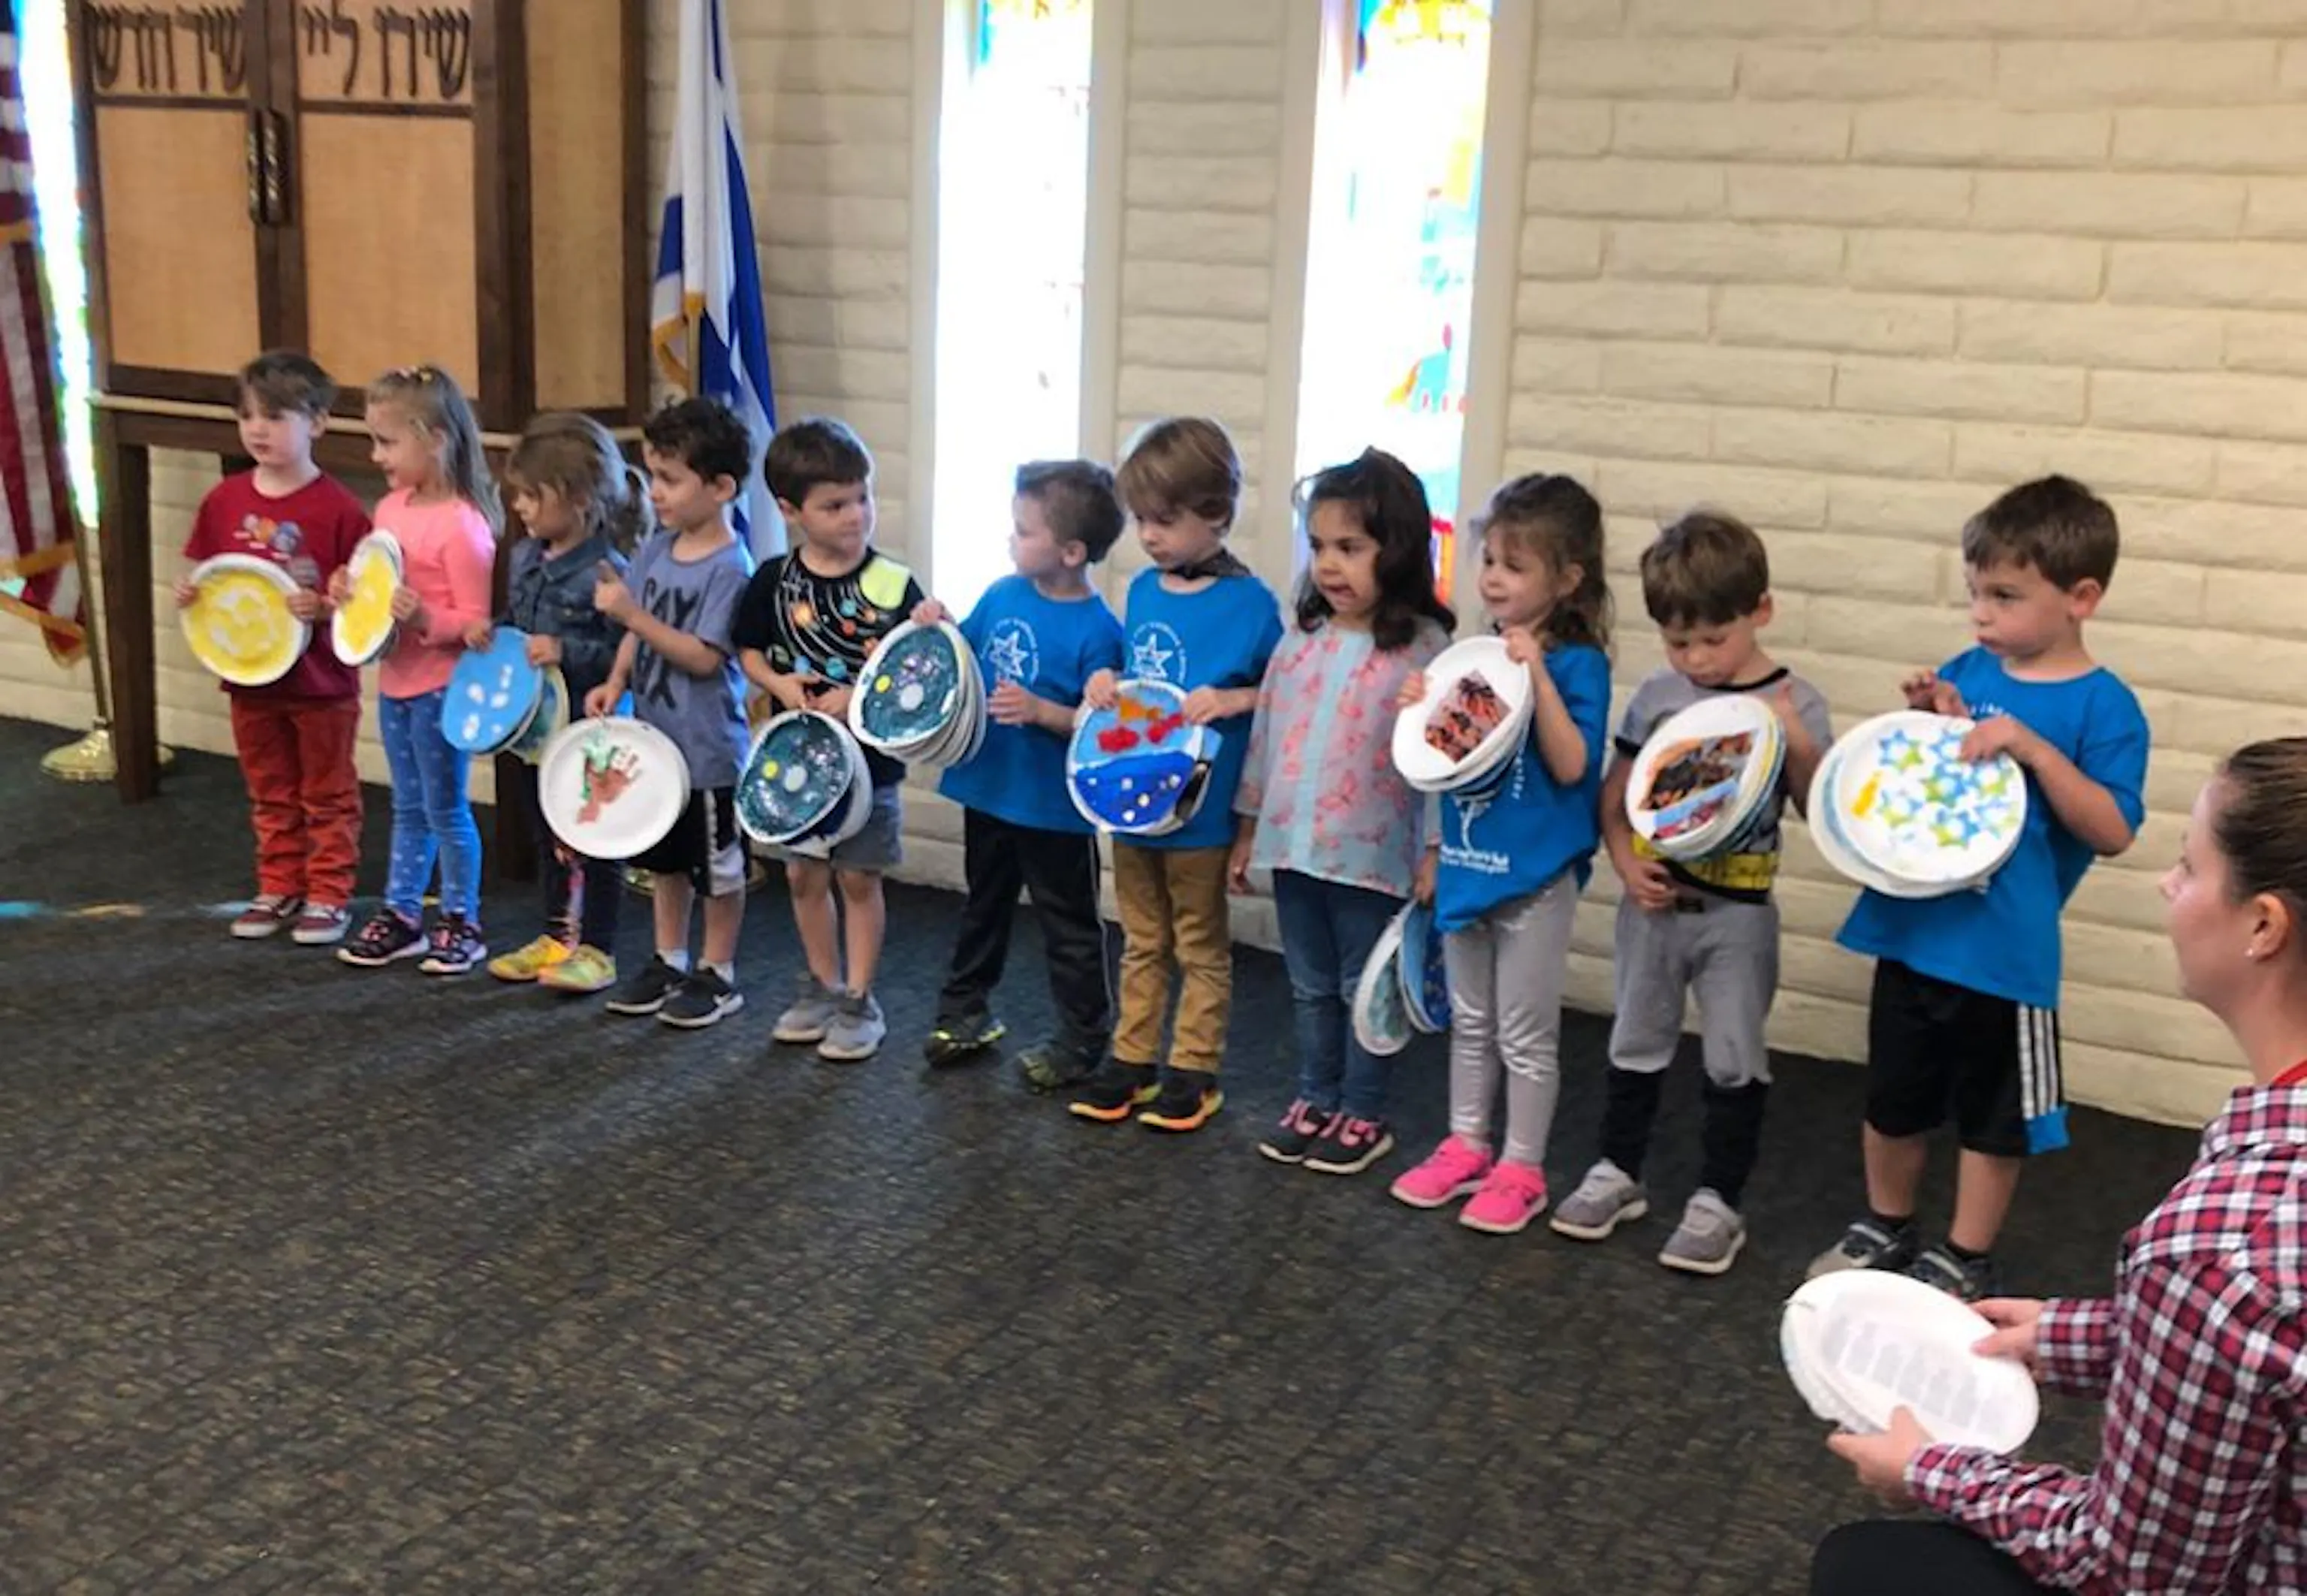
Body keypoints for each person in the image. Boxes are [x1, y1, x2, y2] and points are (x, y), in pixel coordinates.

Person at [1812, 737, 2307, 1596]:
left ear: (2263, 926)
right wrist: (2083, 1335)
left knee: (1865, 1567)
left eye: (2189, 866)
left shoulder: (2220, 1252)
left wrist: (1932, 1470)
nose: (2168, 886)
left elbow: (2135, 1570)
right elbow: (2275, 1347)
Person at [1809, 477, 2150, 1301]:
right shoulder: (1971, 668)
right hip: (1913, 928)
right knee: (1893, 1096)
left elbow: (2112, 828)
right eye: (1974, 593)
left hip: (2005, 955)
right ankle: (1886, 1222)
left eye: (2004, 596)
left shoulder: (2105, 707)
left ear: (2081, 598)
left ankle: (1966, 1253)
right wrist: (1934, 717)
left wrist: (2034, 748)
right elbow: (1937, 785)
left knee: (1996, 1119)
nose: (1980, 614)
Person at [1552, 510, 1830, 1275]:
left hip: (1739, 912)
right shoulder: (1659, 695)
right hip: (1654, 903)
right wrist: (1622, 861)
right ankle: (1617, 1169)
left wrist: (1796, 738)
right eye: (1679, 642)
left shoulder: (1795, 700)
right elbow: (1616, 796)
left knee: (1735, 1054)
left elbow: (1818, 808)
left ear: (1760, 611)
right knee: (1635, 1038)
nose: (1698, 659)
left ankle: (1719, 1200)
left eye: (1714, 638)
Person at [1389, 474, 1612, 1234]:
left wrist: (1537, 673)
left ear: (1568, 579)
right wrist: (1421, 706)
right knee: (1472, 1021)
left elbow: (1572, 764)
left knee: (1524, 1033)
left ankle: (1522, 1166)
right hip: (1467, 865)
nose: (1492, 578)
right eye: (1489, 560)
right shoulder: (1472, 657)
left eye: (1515, 566)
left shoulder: (1579, 664)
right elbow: (1441, 760)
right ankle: (1466, 1144)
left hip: (1535, 878)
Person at [1233, 448, 1452, 1175]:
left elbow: (1440, 762)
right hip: (1293, 847)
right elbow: (1265, 737)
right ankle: (1315, 1095)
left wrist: (1435, 851)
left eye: (1350, 547)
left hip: (1371, 855)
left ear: (1398, 550)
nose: (1329, 564)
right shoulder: (1300, 639)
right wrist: (1247, 829)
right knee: (1309, 986)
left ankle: (1364, 1108)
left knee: (1366, 986)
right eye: (1320, 545)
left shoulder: (1426, 652)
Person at [1069, 418, 1283, 1133]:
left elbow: (1287, 693)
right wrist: (1104, 681)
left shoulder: (1252, 605)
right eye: (1140, 520)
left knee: (1198, 942)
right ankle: (1132, 1058)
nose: (1149, 535)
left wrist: (1234, 699)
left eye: (1164, 520)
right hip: (1133, 796)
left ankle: (1194, 1067)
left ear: (1216, 514)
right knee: (1140, 938)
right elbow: (1136, 678)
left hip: (1204, 808)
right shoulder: (1143, 590)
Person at [914, 460, 1126, 1088]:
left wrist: (1042, 711)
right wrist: (938, 622)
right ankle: (965, 1012)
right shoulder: (1003, 593)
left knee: (1068, 925)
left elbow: (1100, 729)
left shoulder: (1100, 631)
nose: (1012, 539)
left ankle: (1083, 1038)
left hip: (1053, 809)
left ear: (1071, 551)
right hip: (988, 788)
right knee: (983, 905)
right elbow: (963, 652)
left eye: (1025, 531)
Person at [735, 416, 925, 1063]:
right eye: (835, 505)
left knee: (858, 878)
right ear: (791, 511)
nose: (856, 515)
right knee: (802, 875)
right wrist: (780, 685)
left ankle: (860, 997)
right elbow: (749, 651)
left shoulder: (892, 583)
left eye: (862, 498)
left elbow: (915, 669)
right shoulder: (772, 580)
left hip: (871, 764)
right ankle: (822, 983)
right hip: (797, 762)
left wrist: (861, 694)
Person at [173, 350, 370, 947]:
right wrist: (188, 593)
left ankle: (329, 892)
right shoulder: (224, 499)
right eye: (248, 415)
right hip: (250, 677)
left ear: (318, 423)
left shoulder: (339, 508)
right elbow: (205, 574)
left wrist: (326, 606)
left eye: (276, 416)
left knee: (327, 790)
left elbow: (365, 602)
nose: (258, 429)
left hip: (322, 683)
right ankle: (279, 883)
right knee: (269, 788)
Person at [589, 397, 757, 1027]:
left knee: (717, 869)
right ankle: (670, 957)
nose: (655, 491)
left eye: (670, 478)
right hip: (656, 744)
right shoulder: (658, 548)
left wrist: (632, 615)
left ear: (720, 488)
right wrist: (615, 681)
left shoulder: (730, 567)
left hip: (708, 751)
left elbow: (704, 658)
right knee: (663, 861)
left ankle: (719, 970)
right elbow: (637, 633)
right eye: (653, 475)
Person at [333, 365, 498, 974]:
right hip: (396, 682)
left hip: (442, 689)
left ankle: (461, 918)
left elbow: (477, 623)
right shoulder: (390, 509)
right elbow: (376, 588)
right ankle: (403, 914)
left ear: (435, 439)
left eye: (387, 441)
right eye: (374, 440)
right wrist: (348, 591)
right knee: (407, 805)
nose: (376, 455)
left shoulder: (463, 524)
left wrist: (427, 616)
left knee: (446, 808)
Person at [479, 413, 648, 996]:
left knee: (598, 839)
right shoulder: (526, 555)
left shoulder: (609, 572)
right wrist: (493, 630)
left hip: (588, 729)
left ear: (578, 498)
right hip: (535, 730)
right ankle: (556, 934)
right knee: (546, 833)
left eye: (532, 495)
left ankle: (599, 948)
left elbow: (627, 654)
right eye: (518, 494)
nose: (520, 506)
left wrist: (565, 649)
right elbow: (520, 622)